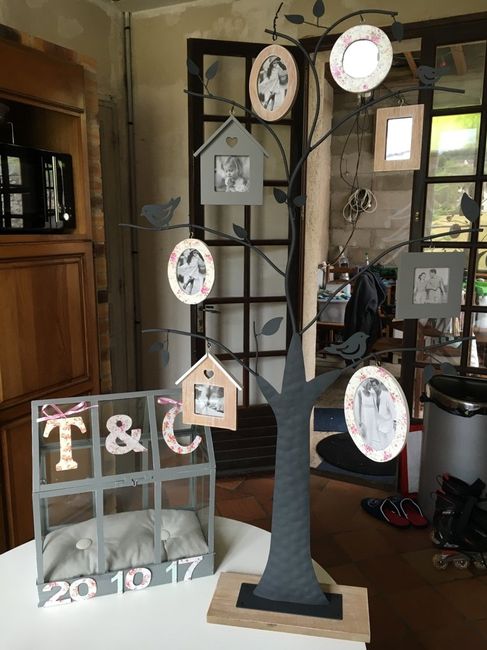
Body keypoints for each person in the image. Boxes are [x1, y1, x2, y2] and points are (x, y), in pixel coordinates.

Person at [371, 379, 396, 450]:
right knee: (381, 445)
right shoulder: (373, 395)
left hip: (388, 424)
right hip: (379, 424)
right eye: (372, 386)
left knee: (390, 444)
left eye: (375, 385)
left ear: (378, 385)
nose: (374, 387)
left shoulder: (386, 395)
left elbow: (392, 409)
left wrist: (394, 422)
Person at [357, 380, 378, 446]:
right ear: (366, 385)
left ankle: (371, 444)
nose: (370, 386)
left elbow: (375, 407)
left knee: (372, 429)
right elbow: (359, 406)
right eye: (369, 385)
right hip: (365, 414)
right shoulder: (360, 393)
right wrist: (359, 419)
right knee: (366, 430)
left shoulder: (372, 394)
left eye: (371, 385)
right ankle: (365, 444)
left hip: (372, 414)